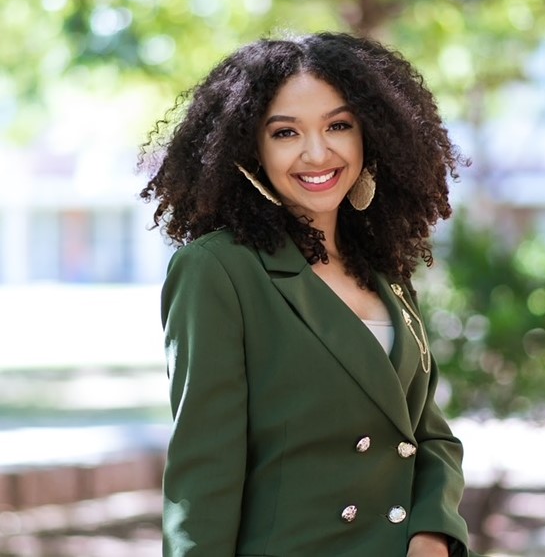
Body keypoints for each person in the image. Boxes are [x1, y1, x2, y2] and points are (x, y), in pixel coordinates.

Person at [139, 31, 481, 557]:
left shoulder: (385, 270)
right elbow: (203, 472)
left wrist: (432, 535)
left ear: (372, 134)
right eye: (285, 132)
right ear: (248, 146)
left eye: (338, 126)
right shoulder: (217, 270)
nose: (317, 152)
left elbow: (427, 435)